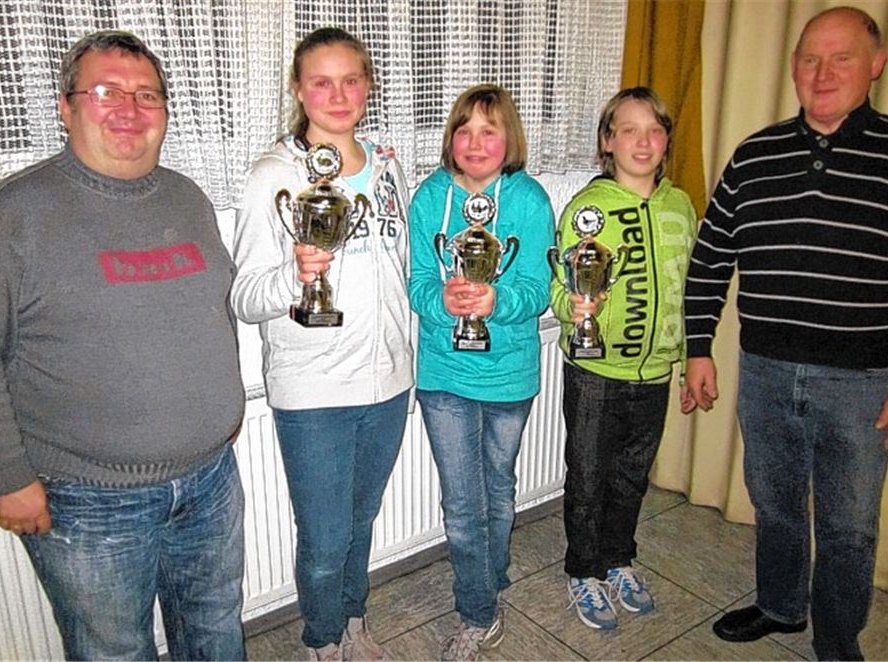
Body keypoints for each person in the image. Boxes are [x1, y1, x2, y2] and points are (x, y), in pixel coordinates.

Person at [0, 31, 247, 660]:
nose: (130, 110)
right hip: (87, 500)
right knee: (114, 650)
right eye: (107, 91)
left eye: (147, 95)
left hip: (210, 479)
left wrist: (221, 415)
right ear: (66, 105)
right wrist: (5, 477)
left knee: (216, 627)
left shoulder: (188, 197)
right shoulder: (9, 220)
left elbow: (209, 313)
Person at [683, 7, 888, 660]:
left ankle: (837, 643)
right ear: (792, 69)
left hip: (863, 384)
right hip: (764, 372)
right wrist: (699, 347)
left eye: (842, 57)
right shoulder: (755, 155)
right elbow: (711, 259)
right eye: (809, 57)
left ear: (877, 64)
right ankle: (781, 607)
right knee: (775, 506)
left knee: (848, 529)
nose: (823, 71)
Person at [231, 27, 412, 662]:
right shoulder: (273, 176)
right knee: (325, 534)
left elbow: (401, 267)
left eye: (351, 79)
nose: (338, 94)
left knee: (360, 522)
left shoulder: (388, 166)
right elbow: (245, 296)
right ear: (298, 90)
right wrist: (295, 274)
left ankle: (353, 619)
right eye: (321, 81)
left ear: (368, 87)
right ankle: (322, 640)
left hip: (389, 382)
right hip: (313, 392)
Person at [408, 84, 554, 661]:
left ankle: (490, 579)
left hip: (510, 374)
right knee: (463, 504)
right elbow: (417, 283)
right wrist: (444, 298)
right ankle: (478, 612)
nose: (475, 142)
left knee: (498, 489)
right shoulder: (429, 198)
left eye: (489, 130)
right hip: (444, 374)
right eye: (464, 129)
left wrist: (499, 301)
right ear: (451, 139)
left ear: (508, 139)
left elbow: (539, 288)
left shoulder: (531, 199)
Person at [550, 87, 697, 630]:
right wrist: (575, 305)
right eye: (627, 130)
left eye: (653, 130)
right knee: (588, 477)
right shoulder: (588, 209)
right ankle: (583, 571)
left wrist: (686, 359)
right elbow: (558, 288)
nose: (642, 141)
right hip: (595, 372)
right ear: (607, 142)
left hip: (654, 372)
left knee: (632, 475)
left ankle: (618, 559)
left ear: (666, 142)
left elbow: (689, 290)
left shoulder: (680, 205)